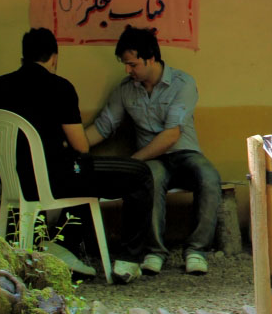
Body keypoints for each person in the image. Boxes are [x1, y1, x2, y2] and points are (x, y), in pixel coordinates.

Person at [0, 27, 162, 281]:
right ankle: (128, 260)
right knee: (139, 173)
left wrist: (10, 156)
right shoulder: (59, 87)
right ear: (54, 58)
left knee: (83, 174)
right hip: (58, 181)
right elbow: (81, 146)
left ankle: (65, 247)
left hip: (15, 183)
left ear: (23, 57)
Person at [86, 25, 220, 275]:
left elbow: (171, 135)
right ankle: (155, 251)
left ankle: (196, 250)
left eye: (132, 64)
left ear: (151, 59)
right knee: (151, 178)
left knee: (209, 177)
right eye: (125, 64)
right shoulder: (125, 90)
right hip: (153, 160)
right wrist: (72, 143)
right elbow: (103, 128)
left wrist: (133, 161)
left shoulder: (183, 83)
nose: (127, 70)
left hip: (184, 153)